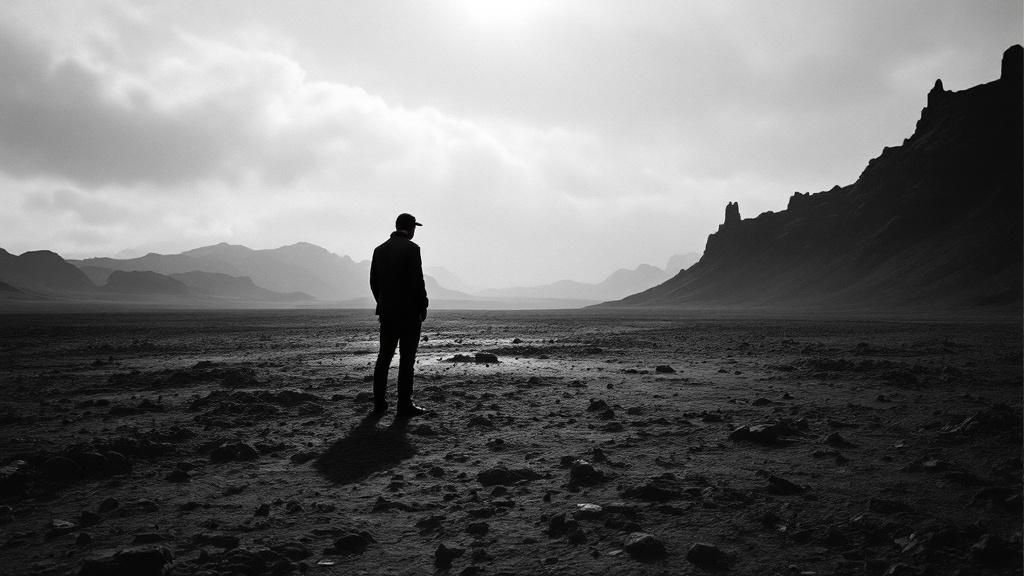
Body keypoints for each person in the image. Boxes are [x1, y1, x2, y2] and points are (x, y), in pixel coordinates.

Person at [369, 213, 429, 418]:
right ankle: (404, 405)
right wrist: (423, 305)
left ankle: (379, 404)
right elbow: (417, 281)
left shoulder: (379, 250)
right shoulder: (412, 249)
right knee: (407, 359)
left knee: (384, 358)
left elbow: (374, 282)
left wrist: (383, 303)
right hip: (409, 314)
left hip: (387, 314)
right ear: (410, 229)